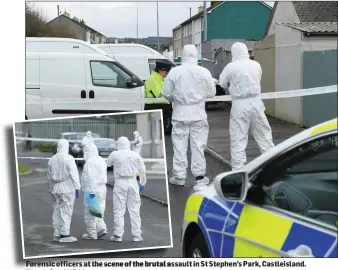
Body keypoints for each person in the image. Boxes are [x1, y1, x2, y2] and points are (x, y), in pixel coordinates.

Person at [162, 44, 216, 190]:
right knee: (198, 145)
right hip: (198, 112)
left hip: (180, 113)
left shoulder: (174, 72)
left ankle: (179, 176)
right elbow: (212, 93)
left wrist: (176, 100)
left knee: (179, 145)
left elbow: (166, 92)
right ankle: (199, 177)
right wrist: (199, 97)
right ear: (196, 54)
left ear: (183, 55)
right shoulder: (203, 71)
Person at [218, 42, 275, 171]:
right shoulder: (256, 64)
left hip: (240, 104)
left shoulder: (230, 67)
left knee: (238, 138)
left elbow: (222, 84)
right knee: (264, 136)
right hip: (256, 102)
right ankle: (272, 165)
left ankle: (238, 171)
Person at [106, 136, 147, 242]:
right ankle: (137, 235)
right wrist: (142, 182)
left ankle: (118, 235)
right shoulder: (135, 154)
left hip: (120, 182)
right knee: (134, 210)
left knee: (119, 210)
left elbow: (107, 164)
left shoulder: (115, 154)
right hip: (133, 182)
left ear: (119, 144)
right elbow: (142, 169)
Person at [47, 139, 81, 243]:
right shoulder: (69, 158)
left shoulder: (52, 159)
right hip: (67, 187)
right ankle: (65, 233)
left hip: (56, 187)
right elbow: (74, 173)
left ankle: (57, 233)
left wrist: (50, 188)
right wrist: (77, 187)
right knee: (66, 210)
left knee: (57, 210)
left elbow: (48, 176)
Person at [81, 143, 108, 240]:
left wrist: (91, 191)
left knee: (90, 212)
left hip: (92, 189)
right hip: (102, 189)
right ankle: (101, 229)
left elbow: (90, 178)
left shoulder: (90, 162)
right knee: (99, 210)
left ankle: (91, 234)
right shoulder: (101, 160)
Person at [144, 60, 175, 135]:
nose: (167, 73)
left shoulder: (159, 79)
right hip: (155, 108)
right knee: (157, 134)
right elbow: (159, 95)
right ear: (160, 70)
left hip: (161, 109)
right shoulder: (153, 80)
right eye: (166, 71)